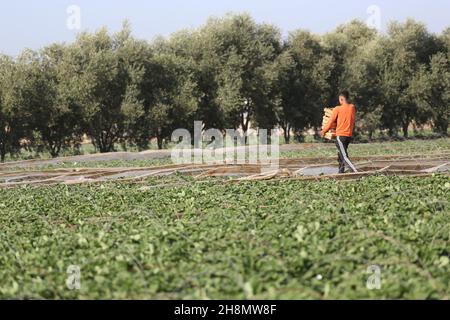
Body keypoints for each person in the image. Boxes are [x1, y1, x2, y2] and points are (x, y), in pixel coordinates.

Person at [320, 90, 358, 174]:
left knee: (344, 157)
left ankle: (356, 172)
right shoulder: (352, 107)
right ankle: (341, 173)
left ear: (341, 99)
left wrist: (323, 131)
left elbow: (330, 122)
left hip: (340, 136)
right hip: (348, 136)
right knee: (340, 155)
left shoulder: (337, 109)